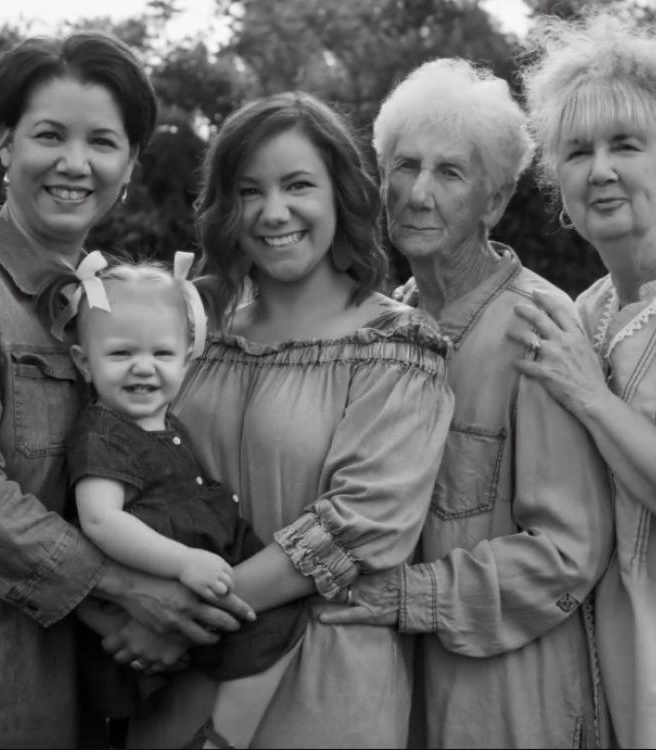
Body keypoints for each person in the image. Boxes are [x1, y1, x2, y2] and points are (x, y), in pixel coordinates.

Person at [0, 32, 251, 748]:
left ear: (127, 166)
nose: (74, 163)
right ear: (6, 145)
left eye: (102, 142)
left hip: (91, 693)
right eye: (48, 135)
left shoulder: (109, 311)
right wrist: (129, 590)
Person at [123, 90, 456, 749]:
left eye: (297, 185)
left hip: (319, 688)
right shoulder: (194, 331)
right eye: (250, 191)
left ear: (342, 194)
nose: (273, 212)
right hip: (175, 685)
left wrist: (178, 615)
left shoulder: (398, 345)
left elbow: (355, 526)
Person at [320, 58, 614, 748]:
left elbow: (568, 554)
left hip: (510, 705)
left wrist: (405, 597)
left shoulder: (538, 327)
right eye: (404, 165)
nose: (419, 193)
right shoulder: (384, 322)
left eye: (450, 173)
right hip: (395, 692)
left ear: (494, 201)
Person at [59, 254, 308, 742]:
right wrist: (182, 562)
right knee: (267, 629)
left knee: (277, 625)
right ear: (84, 363)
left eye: (162, 354)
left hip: (199, 576)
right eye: (120, 354)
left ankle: (222, 733)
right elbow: (100, 521)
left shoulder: (167, 422)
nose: (143, 369)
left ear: (188, 357)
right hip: (164, 582)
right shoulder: (102, 435)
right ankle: (222, 739)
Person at [514, 12, 656, 748]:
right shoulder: (586, 311)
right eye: (576, 152)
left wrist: (591, 398)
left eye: (625, 146)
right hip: (603, 661)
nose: (599, 170)